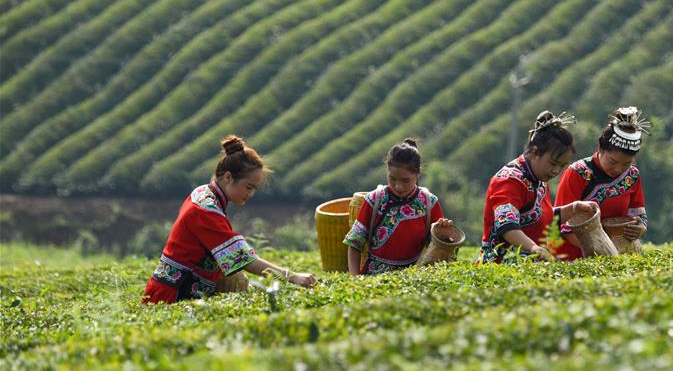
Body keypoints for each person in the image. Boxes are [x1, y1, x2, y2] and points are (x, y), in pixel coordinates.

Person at [143, 136, 317, 304]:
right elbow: (241, 258)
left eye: (254, 189)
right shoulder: (205, 211)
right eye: (248, 187)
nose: (250, 194)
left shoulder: (203, 193)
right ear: (228, 177)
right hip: (171, 297)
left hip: (178, 291)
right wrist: (292, 277)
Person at [481, 110, 598, 263]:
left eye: (561, 166)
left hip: (530, 264)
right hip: (500, 266)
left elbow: (541, 219)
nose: (556, 171)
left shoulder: (539, 179)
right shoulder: (509, 180)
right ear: (535, 153)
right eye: (553, 164)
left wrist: (574, 208)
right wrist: (533, 247)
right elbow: (506, 225)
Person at [344, 138, 454, 275]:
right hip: (373, 277)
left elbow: (438, 246)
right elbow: (355, 243)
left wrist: (443, 231)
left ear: (417, 174)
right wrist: (355, 280)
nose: (398, 186)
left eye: (405, 180)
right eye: (392, 178)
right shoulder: (374, 200)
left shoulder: (429, 203)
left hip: (413, 275)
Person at [553, 106, 649, 260]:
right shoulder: (578, 173)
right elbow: (561, 224)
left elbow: (638, 215)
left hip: (618, 254)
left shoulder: (632, 176)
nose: (618, 169)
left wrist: (640, 228)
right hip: (574, 256)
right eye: (612, 161)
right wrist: (602, 250)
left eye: (626, 164)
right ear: (600, 148)